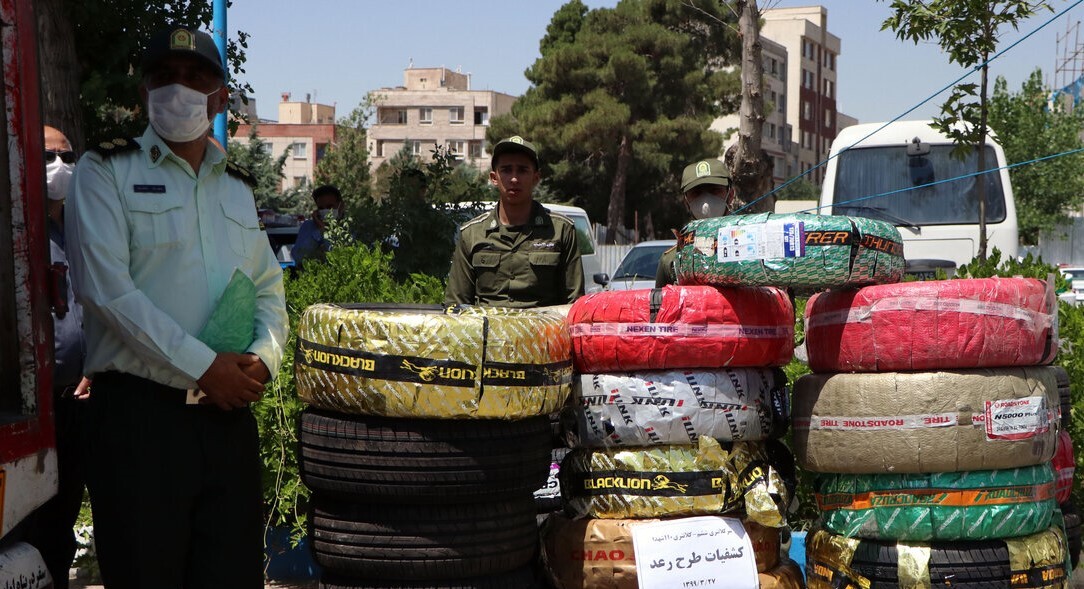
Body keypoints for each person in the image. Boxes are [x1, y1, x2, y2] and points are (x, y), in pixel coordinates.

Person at [64, 26, 287, 589]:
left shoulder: (236, 186)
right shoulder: (104, 170)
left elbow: (267, 290)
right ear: (143, 92)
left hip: (226, 418)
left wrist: (263, 361)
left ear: (219, 97)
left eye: (196, 77)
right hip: (142, 422)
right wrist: (203, 367)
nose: (178, 89)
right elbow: (107, 290)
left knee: (232, 575)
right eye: (164, 76)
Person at [23, 125, 91, 589]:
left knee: (64, 519)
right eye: (48, 156)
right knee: (31, 522)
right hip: (32, 407)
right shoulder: (20, 231)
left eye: (67, 156)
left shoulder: (81, 229)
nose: (59, 167)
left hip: (79, 399)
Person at [445, 136, 584, 308]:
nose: (514, 179)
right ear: (494, 178)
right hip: (488, 333)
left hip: (542, 333)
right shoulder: (472, 234)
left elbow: (575, 305)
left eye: (522, 170)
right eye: (506, 170)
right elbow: (456, 305)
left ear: (536, 177)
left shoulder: (561, 230)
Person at [655, 158, 737, 287]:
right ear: (686, 201)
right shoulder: (672, 261)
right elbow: (661, 306)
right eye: (696, 193)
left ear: (731, 194)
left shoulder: (751, 249)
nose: (705, 202)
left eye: (714, 191)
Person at [291, 183, 344, 269]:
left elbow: (339, 258)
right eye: (321, 208)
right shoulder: (308, 226)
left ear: (340, 205)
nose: (326, 210)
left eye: (330, 206)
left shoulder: (349, 228)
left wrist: (326, 233)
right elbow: (298, 257)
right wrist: (320, 231)